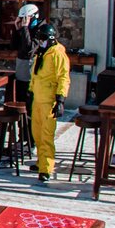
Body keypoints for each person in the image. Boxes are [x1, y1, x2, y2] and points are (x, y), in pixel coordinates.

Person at [29, 23, 69, 183]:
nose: (40, 42)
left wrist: (60, 99)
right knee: (36, 133)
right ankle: (40, 161)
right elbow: (35, 75)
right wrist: (30, 92)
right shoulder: (41, 53)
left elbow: (64, 77)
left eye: (41, 39)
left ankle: (46, 168)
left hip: (49, 100)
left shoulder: (57, 54)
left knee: (46, 135)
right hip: (38, 98)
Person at [12, 4, 42, 100]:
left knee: (29, 96)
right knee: (20, 94)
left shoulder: (40, 29)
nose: (24, 20)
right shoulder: (24, 29)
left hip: (31, 66)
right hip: (21, 64)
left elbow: (29, 49)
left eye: (26, 18)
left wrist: (24, 28)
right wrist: (17, 30)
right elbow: (13, 46)